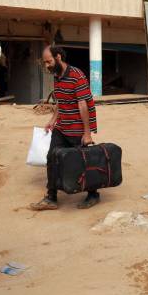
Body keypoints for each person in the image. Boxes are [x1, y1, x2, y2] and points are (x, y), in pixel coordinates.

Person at [30, 45, 99, 211]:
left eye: (49, 61)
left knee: (83, 162)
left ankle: (93, 194)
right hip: (62, 126)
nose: (47, 66)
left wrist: (87, 133)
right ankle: (51, 197)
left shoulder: (77, 75)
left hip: (77, 128)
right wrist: (53, 120)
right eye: (45, 63)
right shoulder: (57, 76)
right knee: (52, 157)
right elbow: (60, 101)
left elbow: (83, 104)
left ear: (59, 57)